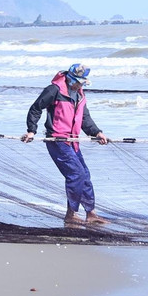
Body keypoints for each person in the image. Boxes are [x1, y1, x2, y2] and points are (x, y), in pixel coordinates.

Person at [23, 63, 110, 226]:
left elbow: (84, 119)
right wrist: (31, 131)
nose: (79, 85)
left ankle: (91, 213)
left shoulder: (80, 95)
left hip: (73, 141)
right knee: (76, 174)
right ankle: (70, 214)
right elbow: (36, 108)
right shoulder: (54, 90)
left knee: (85, 174)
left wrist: (97, 133)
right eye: (77, 81)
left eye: (82, 82)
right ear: (70, 78)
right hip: (57, 140)